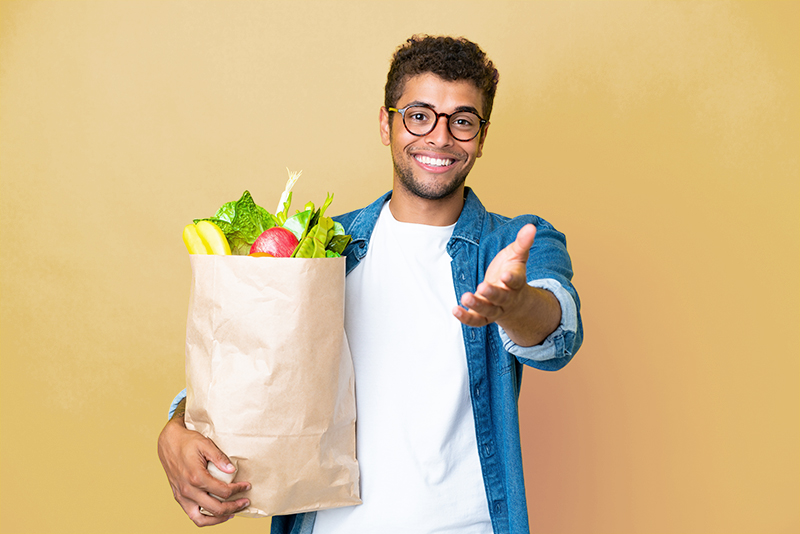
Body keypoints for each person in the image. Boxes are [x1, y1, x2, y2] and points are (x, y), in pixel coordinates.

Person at [157, 35, 582, 534]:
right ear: (387, 123)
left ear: (481, 138)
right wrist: (176, 425)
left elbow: (557, 332)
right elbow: (248, 369)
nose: (440, 138)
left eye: (462, 121)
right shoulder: (322, 248)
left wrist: (514, 305)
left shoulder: (513, 244)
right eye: (419, 115)